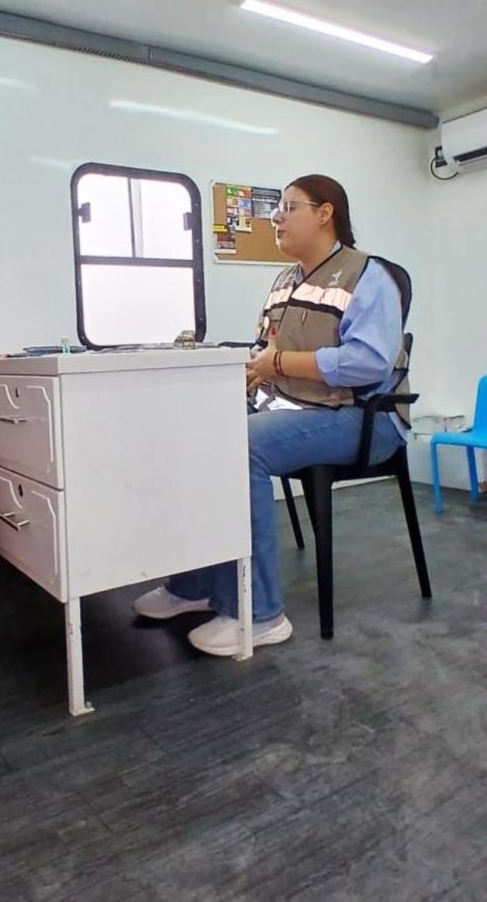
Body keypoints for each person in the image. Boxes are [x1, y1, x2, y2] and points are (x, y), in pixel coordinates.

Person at [134, 174, 409, 656]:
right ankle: (193, 586)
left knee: (242, 446)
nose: (276, 217)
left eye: (289, 207)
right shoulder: (284, 282)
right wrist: (251, 373)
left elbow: (368, 362)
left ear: (324, 213)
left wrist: (277, 364)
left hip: (363, 414)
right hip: (297, 407)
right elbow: (267, 349)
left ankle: (259, 615)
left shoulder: (368, 275)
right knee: (195, 432)